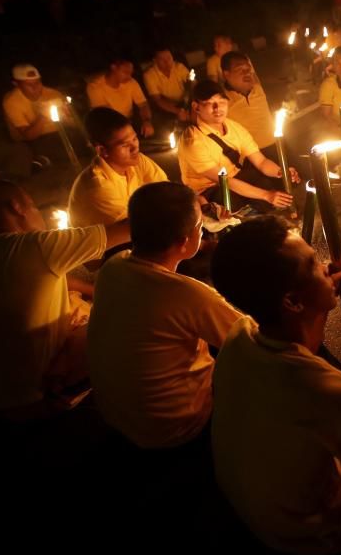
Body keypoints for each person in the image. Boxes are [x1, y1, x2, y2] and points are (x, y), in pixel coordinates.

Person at [209, 216, 341, 555]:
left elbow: (302, 344)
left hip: (259, 515)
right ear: (292, 302)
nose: (326, 267)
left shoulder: (238, 337)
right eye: (314, 264)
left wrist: (321, 292)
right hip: (322, 536)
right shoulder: (340, 393)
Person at [0, 178, 129, 420]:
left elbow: (38, 275)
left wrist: (91, 290)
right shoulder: (35, 247)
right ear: (17, 207)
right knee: (128, 313)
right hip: (32, 396)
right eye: (33, 205)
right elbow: (131, 227)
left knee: (85, 309)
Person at [87, 182, 243, 449]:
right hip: (175, 427)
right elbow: (251, 338)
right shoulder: (191, 295)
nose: (203, 230)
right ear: (186, 240)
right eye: (200, 226)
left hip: (114, 414)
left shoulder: (113, 266)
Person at [178, 81, 296, 212]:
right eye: (210, 103)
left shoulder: (234, 127)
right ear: (196, 107)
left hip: (234, 177)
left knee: (268, 184)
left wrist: (282, 172)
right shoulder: (192, 141)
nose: (217, 108)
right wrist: (266, 195)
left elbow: (261, 162)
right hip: (209, 188)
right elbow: (224, 181)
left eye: (222, 102)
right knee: (234, 201)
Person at [68, 107, 168, 228]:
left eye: (135, 139)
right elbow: (136, 229)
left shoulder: (137, 161)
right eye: (125, 145)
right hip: (109, 244)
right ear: (102, 150)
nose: (135, 147)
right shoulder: (98, 186)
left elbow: (166, 191)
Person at [2, 64, 83, 166]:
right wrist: (43, 116)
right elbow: (29, 136)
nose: (35, 87)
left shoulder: (53, 94)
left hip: (60, 133)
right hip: (34, 140)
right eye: (29, 85)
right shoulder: (12, 101)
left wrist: (68, 116)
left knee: (84, 142)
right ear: (16, 84)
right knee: (56, 151)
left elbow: (75, 125)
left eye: (37, 82)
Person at [221, 52, 279, 160]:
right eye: (240, 70)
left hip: (276, 146)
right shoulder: (222, 100)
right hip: (250, 157)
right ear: (226, 74)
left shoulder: (258, 89)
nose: (247, 73)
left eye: (248, 69)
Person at [87, 58, 154, 138]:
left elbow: (143, 104)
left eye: (131, 73)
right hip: (107, 126)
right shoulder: (95, 87)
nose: (129, 76)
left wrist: (146, 121)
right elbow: (105, 115)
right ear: (113, 67)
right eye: (126, 72)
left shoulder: (131, 82)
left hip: (128, 121)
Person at [142, 46, 191, 127]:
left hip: (184, 101)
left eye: (169, 57)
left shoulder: (179, 67)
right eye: (162, 59)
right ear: (155, 61)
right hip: (165, 107)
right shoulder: (149, 75)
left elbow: (191, 82)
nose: (167, 61)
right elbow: (157, 99)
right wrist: (178, 111)